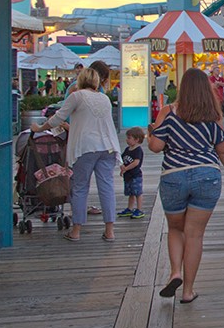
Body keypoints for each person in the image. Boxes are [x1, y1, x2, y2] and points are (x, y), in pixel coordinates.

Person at [148, 68, 224, 304]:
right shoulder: (212, 115)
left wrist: (152, 135)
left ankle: (175, 272)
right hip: (207, 176)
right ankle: (188, 291)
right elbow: (223, 150)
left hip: (174, 176)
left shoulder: (168, 112)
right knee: (195, 235)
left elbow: (156, 147)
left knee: (176, 229)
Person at [30, 67, 120, 242]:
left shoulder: (76, 96)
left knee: (79, 187)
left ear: (80, 80)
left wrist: (39, 128)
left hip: (85, 147)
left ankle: (76, 231)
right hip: (108, 147)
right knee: (107, 188)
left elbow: (57, 118)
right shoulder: (104, 99)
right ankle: (110, 231)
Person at [118, 127, 146, 219]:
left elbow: (136, 162)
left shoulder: (138, 150)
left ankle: (139, 209)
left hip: (135, 175)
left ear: (137, 139)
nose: (127, 140)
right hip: (128, 176)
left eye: (129, 138)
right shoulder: (127, 149)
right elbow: (122, 159)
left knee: (138, 192)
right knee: (131, 193)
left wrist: (126, 168)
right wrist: (122, 167)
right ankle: (130, 208)